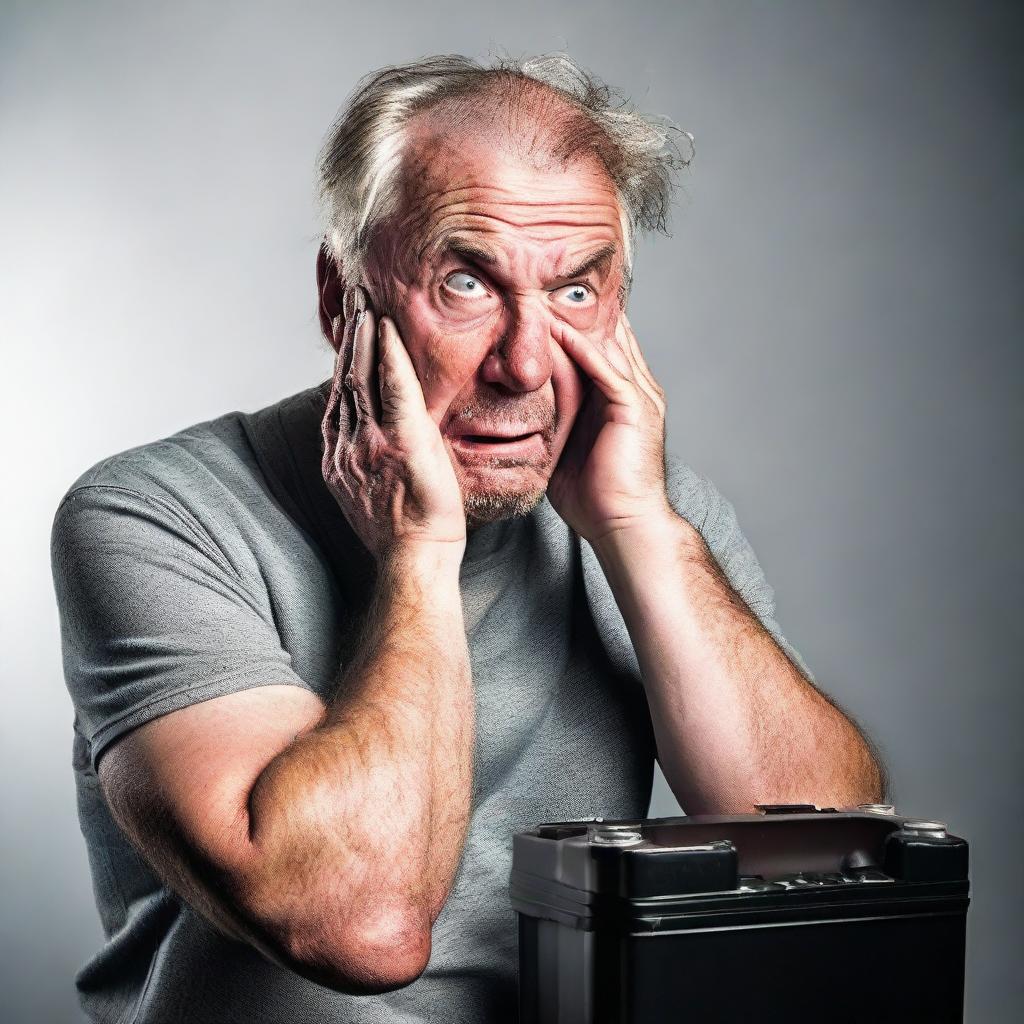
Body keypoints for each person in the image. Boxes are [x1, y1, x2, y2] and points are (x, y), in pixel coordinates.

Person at [50, 53, 887, 1024]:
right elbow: (353, 924)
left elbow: (832, 869)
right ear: (342, 297)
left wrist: (637, 525)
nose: (526, 363)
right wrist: (417, 553)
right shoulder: (158, 513)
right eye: (465, 282)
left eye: (576, 291)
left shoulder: (653, 517)